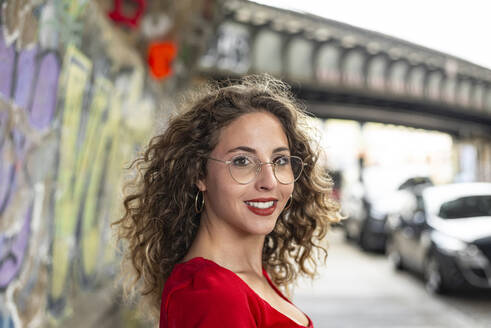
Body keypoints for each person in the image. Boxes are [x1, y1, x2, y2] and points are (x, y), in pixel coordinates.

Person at [113, 74, 341, 327]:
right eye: (242, 161)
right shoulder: (214, 294)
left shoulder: (244, 278)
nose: (270, 181)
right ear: (199, 173)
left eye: (280, 160)